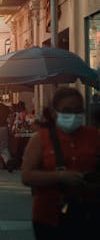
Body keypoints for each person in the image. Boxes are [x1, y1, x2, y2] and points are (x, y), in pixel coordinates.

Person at [21, 87, 100, 239]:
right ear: (54, 112)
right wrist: (60, 176)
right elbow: (27, 176)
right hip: (50, 216)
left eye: (78, 110)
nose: (73, 115)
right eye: (67, 110)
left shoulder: (93, 136)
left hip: (89, 214)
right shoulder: (40, 139)